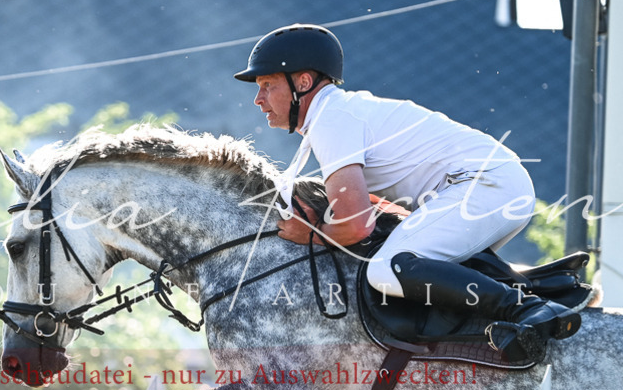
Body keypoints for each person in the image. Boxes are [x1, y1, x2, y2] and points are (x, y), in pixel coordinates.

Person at [234, 23, 580, 354]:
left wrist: (311, 234)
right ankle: (532, 289)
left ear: (304, 82)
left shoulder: (331, 120)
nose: (258, 99)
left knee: (387, 269)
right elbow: (369, 208)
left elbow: (357, 226)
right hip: (491, 184)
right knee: (415, 269)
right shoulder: (336, 114)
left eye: (267, 85)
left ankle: (529, 310)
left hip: (485, 185)